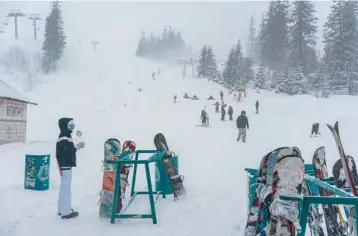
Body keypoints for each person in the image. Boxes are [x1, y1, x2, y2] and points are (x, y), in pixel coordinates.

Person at [56, 117, 85, 219]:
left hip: (65, 165)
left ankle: (62, 208)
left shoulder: (65, 135)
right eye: (70, 126)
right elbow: (68, 152)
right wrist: (78, 147)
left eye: (73, 126)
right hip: (66, 165)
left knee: (64, 187)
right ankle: (65, 211)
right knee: (66, 188)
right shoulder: (65, 137)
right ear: (65, 126)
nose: (72, 128)